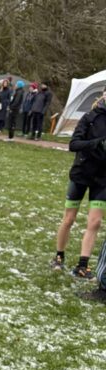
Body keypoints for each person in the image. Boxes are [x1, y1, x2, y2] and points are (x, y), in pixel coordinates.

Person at [50, 92, 106, 279]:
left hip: (102, 178)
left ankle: (83, 265)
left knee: (95, 222)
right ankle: (59, 256)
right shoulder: (90, 117)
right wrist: (96, 144)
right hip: (81, 174)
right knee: (69, 218)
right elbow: (74, 144)